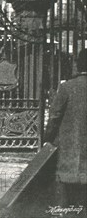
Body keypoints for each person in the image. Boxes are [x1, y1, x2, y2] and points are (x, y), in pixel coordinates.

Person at [44, 49, 87, 209]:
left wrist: (47, 139)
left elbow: (54, 117)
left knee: (69, 203)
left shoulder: (67, 88)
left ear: (78, 65)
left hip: (70, 158)